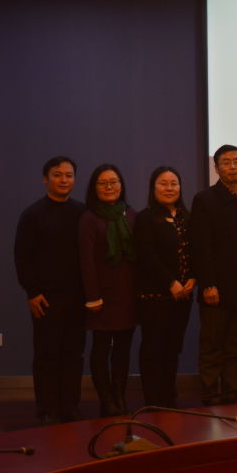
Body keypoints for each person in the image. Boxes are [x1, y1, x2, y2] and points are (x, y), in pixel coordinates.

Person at [191, 144, 237, 406]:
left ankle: (232, 393)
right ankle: (211, 394)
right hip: (216, 289)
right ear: (216, 168)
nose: (232, 167)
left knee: (236, 346)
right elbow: (201, 246)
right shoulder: (205, 199)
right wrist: (208, 284)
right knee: (212, 346)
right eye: (226, 162)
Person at [14, 156, 86, 425]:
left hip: (77, 297)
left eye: (68, 175)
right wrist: (32, 292)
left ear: (74, 179)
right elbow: (23, 257)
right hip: (45, 298)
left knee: (73, 354)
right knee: (47, 355)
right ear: (46, 179)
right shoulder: (32, 215)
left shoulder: (81, 212)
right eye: (57, 175)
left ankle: (70, 406)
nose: (63, 180)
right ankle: (47, 409)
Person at [78, 163, 138, 416]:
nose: (109, 187)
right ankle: (106, 399)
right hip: (101, 296)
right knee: (101, 349)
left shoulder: (131, 214)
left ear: (121, 185)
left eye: (113, 182)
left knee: (123, 350)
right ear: (94, 188)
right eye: (102, 183)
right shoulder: (89, 218)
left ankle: (119, 397)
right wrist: (93, 297)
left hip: (128, 294)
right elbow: (86, 262)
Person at [134, 166, 195, 408]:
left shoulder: (186, 217)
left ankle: (169, 398)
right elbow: (146, 256)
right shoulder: (145, 218)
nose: (169, 188)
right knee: (154, 349)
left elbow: (196, 251)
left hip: (183, 296)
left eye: (174, 183)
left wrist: (193, 278)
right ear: (153, 187)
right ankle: (153, 401)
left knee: (172, 348)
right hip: (155, 295)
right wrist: (171, 282)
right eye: (163, 183)